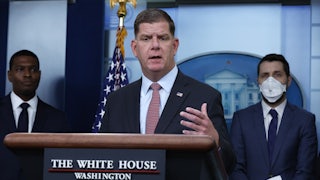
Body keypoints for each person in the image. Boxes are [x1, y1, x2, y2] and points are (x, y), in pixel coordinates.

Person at [99, 8, 236, 175]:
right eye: (146, 38)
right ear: (134, 48)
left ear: (175, 45)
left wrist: (215, 142)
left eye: (162, 38)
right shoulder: (117, 101)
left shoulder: (204, 97)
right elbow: (102, 158)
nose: (155, 46)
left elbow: (228, 165)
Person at [229, 53, 318, 179]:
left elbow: (305, 171)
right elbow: (236, 168)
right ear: (258, 82)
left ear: (288, 81)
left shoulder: (305, 120)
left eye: (278, 75)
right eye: (265, 76)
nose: (270, 81)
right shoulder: (241, 119)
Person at [0, 49, 70, 180]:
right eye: (20, 69)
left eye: (33, 70)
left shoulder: (57, 118)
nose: (27, 75)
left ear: (40, 74)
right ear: (9, 75)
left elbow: (63, 162)